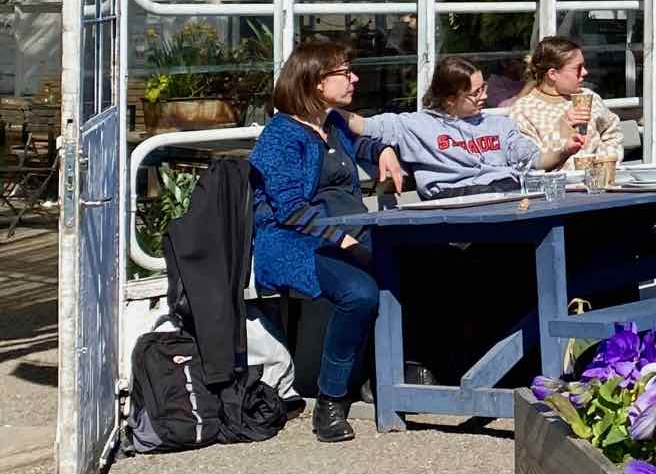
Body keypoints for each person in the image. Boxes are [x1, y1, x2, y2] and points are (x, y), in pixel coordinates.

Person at [249, 39, 404, 443]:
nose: (355, 79)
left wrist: (383, 150)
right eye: (345, 73)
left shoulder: (331, 123)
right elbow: (289, 210)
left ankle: (386, 375)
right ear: (317, 81)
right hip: (291, 241)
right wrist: (343, 240)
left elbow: (359, 145)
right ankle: (330, 401)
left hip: (346, 232)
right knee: (359, 292)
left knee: (413, 265)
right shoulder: (281, 136)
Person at [350, 55, 569, 199]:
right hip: (456, 199)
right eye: (476, 93)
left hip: (505, 192)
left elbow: (533, 159)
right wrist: (327, 108)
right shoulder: (417, 125)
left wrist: (563, 151)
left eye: (484, 87)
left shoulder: (499, 124)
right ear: (449, 99)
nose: (485, 96)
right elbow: (362, 125)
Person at [508, 37, 626, 169]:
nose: (585, 72)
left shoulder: (588, 97)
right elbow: (531, 162)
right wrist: (561, 130)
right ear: (553, 74)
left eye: (584, 66)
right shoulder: (524, 111)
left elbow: (612, 133)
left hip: (597, 178)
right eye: (578, 68)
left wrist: (603, 162)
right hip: (557, 180)